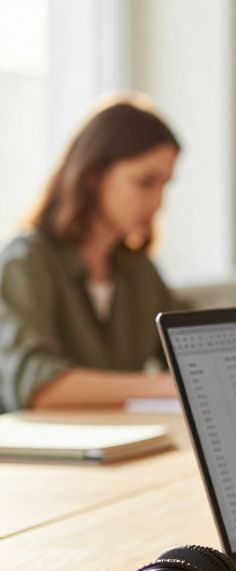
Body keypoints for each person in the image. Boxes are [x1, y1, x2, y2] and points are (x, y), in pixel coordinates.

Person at [0, 97, 185, 412]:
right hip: (49, 454)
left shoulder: (137, 269)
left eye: (164, 185)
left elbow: (185, 345)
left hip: (121, 443)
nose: (158, 203)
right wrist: (165, 387)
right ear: (93, 175)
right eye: (145, 182)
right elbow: (34, 385)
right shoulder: (27, 262)